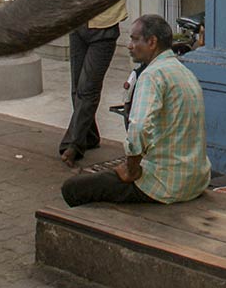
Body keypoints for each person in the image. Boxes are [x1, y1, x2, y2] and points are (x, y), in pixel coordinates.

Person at [59, 0, 206, 168]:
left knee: (88, 88)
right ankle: (89, 136)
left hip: (104, 29)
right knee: (76, 88)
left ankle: (73, 144)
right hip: (79, 25)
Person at [61, 14, 210, 206]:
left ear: (152, 42)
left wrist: (131, 169)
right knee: (107, 176)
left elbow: (139, 127)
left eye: (134, 39)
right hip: (196, 181)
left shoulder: (151, 75)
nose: (130, 46)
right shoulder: (185, 72)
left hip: (164, 185)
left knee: (72, 187)